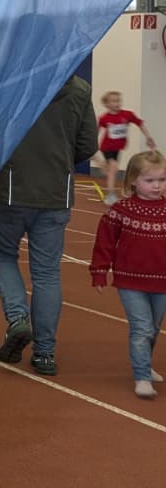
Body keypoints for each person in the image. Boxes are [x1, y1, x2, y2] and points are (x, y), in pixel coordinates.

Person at [0, 73, 98, 377]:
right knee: (47, 273)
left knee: (1, 255)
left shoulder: (11, 82)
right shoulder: (79, 89)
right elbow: (88, 144)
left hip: (11, 189)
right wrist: (59, 157)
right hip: (55, 192)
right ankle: (45, 353)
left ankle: (18, 318)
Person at [91, 150, 166, 398]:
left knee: (154, 327)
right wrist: (100, 271)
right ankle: (142, 375)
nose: (156, 186)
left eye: (162, 180)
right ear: (133, 180)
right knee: (142, 327)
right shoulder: (122, 210)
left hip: (162, 282)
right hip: (130, 281)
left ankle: (145, 363)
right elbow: (105, 242)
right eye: (150, 180)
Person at [97, 90, 154, 203]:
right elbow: (96, 131)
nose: (117, 103)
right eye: (113, 101)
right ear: (107, 104)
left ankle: (105, 167)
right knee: (113, 168)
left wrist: (148, 137)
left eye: (118, 101)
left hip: (118, 148)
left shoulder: (127, 115)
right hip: (107, 147)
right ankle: (110, 195)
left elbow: (140, 124)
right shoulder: (104, 118)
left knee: (112, 169)